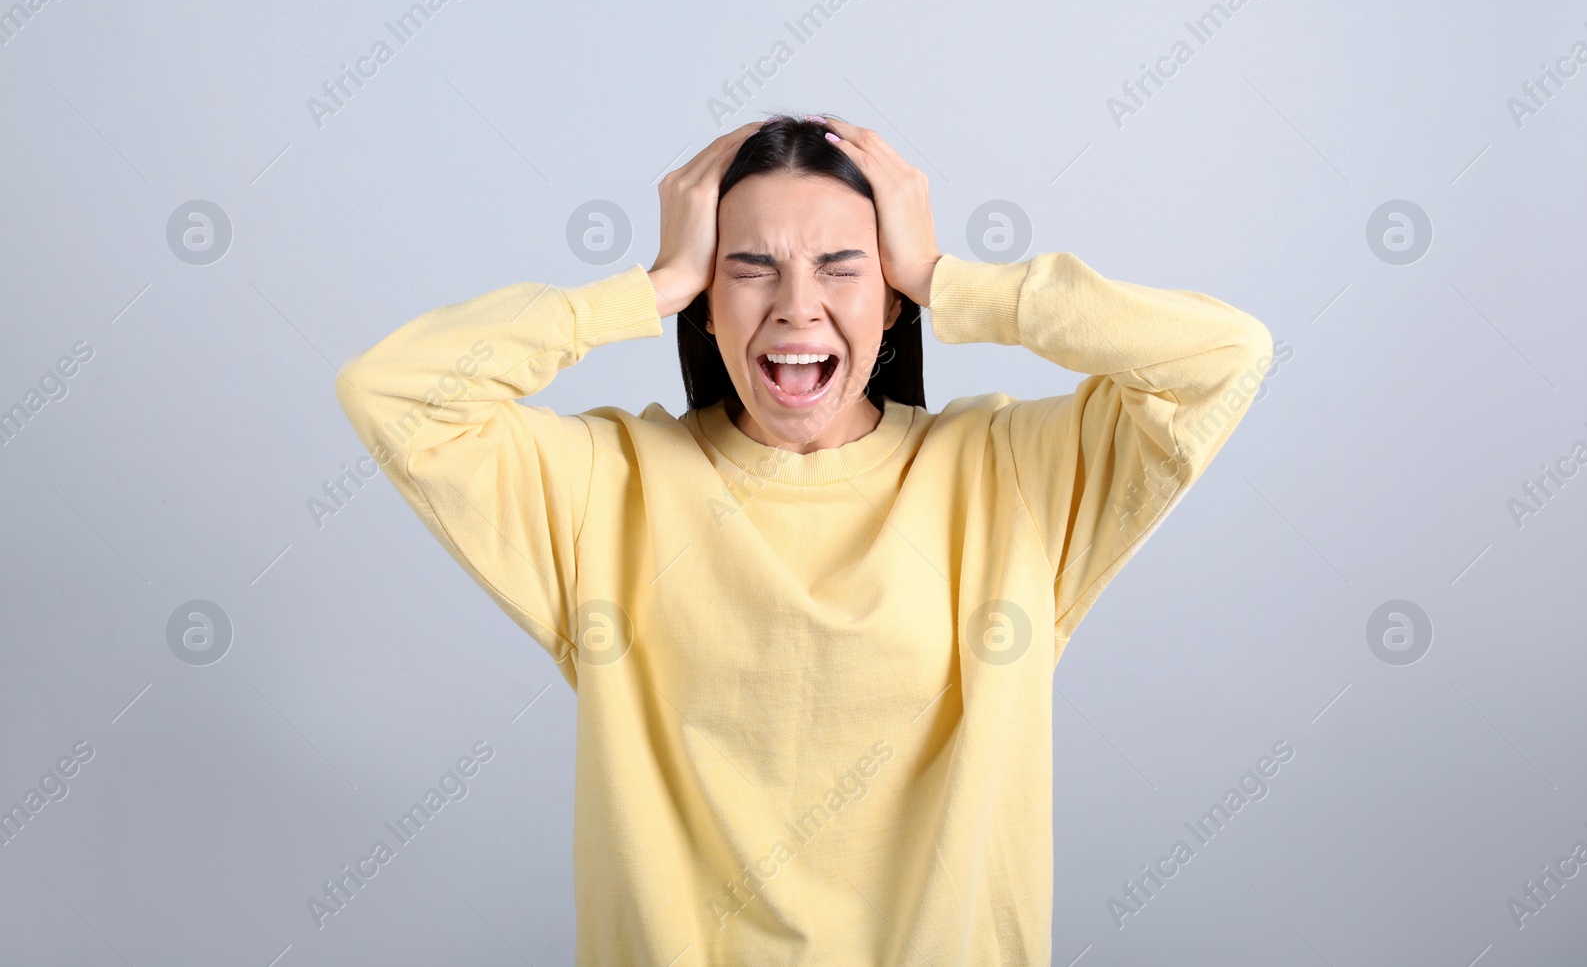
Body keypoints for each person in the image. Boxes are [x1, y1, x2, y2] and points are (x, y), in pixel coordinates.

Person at [334, 113, 1273, 965]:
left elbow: (1224, 358)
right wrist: (644, 287)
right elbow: (393, 390)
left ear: (893, 298)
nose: (795, 305)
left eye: (840, 265)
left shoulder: (1008, 478)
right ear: (707, 299)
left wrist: (952, 278)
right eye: (750, 267)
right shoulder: (607, 487)